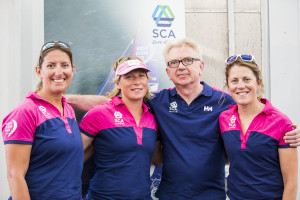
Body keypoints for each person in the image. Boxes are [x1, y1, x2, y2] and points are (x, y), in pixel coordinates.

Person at [66, 37, 300, 199]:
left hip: (213, 195)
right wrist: (62, 99)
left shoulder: (224, 101)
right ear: (167, 71)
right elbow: (109, 102)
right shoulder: (157, 101)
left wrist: (290, 129)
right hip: (170, 195)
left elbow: (258, 113)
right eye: (174, 63)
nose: (181, 67)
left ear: (201, 66)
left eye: (188, 60)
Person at [2, 41, 83, 200]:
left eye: (64, 65)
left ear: (72, 70)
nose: (58, 72)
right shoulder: (26, 111)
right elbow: (14, 175)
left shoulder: (68, 110)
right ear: (39, 71)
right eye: (51, 66)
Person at [79, 56, 160, 200]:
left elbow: (157, 160)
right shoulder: (100, 113)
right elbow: (73, 157)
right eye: (129, 77)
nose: (137, 81)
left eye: (141, 76)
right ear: (117, 83)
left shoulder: (153, 117)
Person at [219, 54, 298, 200]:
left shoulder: (280, 122)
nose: (241, 86)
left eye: (247, 79)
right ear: (228, 85)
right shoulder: (224, 118)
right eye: (234, 81)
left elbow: (291, 182)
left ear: (258, 82)